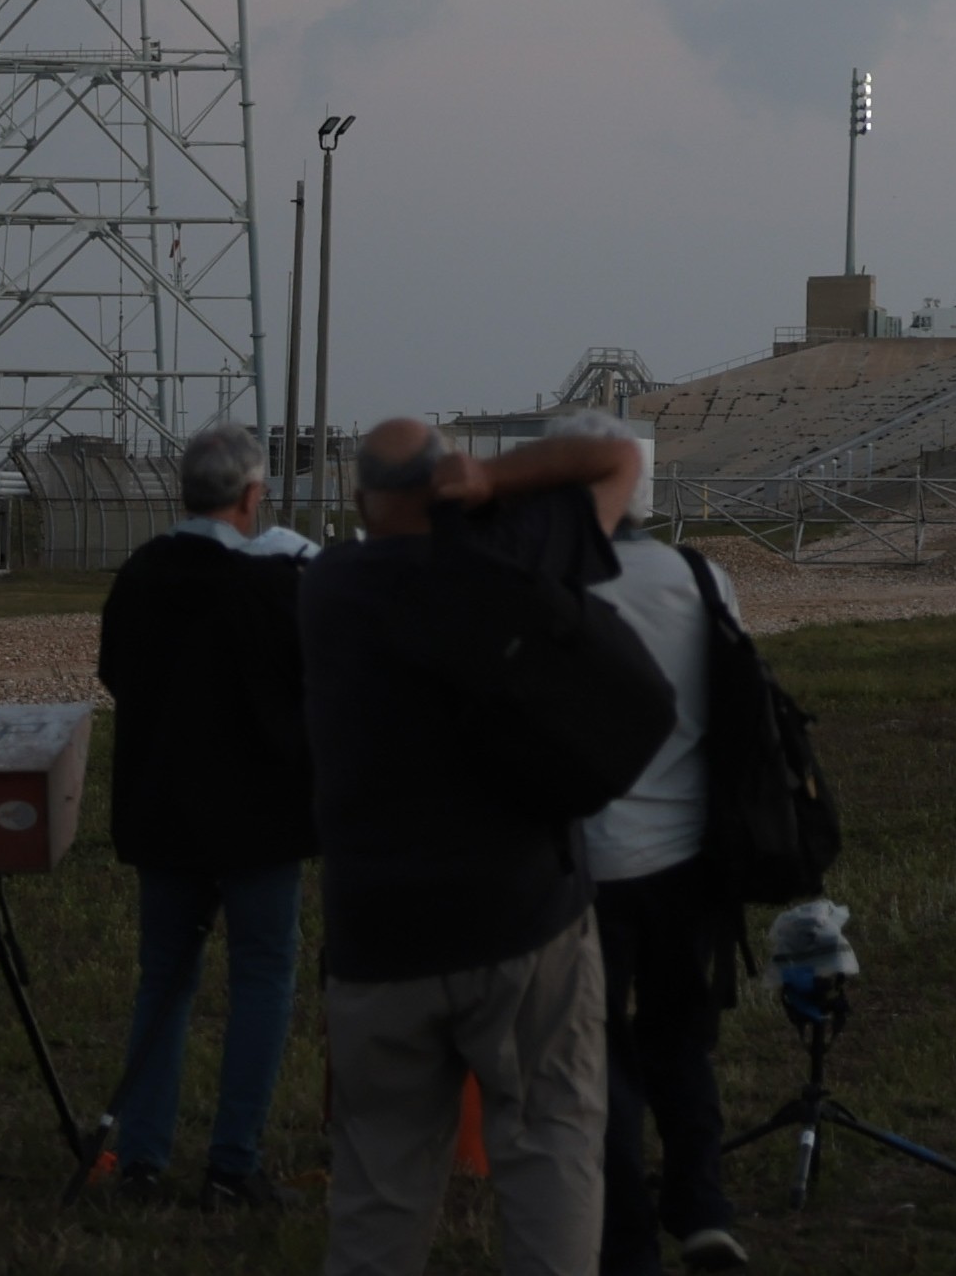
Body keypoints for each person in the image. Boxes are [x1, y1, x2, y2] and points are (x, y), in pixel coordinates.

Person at [303, 414, 658, 1276]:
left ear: (359, 501)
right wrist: (493, 478)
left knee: (377, 1186)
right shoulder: (514, 550)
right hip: (524, 914)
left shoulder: (325, 588)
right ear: (446, 481)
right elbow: (619, 456)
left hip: (379, 936)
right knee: (551, 1144)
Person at [559, 409, 758, 1275]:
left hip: (586, 866)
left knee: (595, 1058)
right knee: (682, 1037)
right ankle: (704, 1201)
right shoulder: (702, 578)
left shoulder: (557, 588)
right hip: (690, 858)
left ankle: (625, 1234)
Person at [96, 422, 314, 1206]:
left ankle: (143, 1157)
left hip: (164, 811)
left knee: (164, 980)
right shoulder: (271, 583)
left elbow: (115, 671)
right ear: (252, 496)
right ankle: (232, 1160)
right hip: (261, 818)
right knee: (261, 975)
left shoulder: (141, 575)